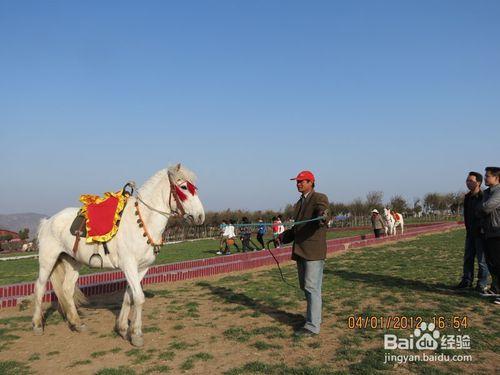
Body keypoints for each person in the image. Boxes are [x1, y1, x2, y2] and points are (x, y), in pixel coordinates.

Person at [280, 170, 329, 336]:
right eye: (297, 181)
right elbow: (298, 228)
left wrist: (322, 216)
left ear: (311, 182)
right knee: (306, 287)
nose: (298, 184)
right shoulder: (298, 203)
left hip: (314, 251)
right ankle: (313, 317)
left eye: (302, 181)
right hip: (300, 250)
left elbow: (322, 212)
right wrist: (282, 237)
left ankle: (312, 326)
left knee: (311, 287)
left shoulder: (319, 198)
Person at [454, 172, 490, 292]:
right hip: (470, 233)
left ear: (478, 182)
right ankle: (466, 281)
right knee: (468, 258)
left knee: (482, 261)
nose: (468, 182)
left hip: (481, 233)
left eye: (471, 180)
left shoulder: (484, 196)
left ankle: (481, 283)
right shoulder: (467, 197)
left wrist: (482, 228)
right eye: (467, 180)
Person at [478, 166, 500, 304]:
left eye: (488, 176)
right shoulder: (486, 192)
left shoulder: (499, 192)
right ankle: (496, 288)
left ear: (497, 178)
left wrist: (482, 209)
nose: (485, 178)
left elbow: (486, 207)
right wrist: (481, 209)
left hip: (498, 231)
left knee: (499, 263)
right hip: (488, 232)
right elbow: (479, 208)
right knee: (492, 263)